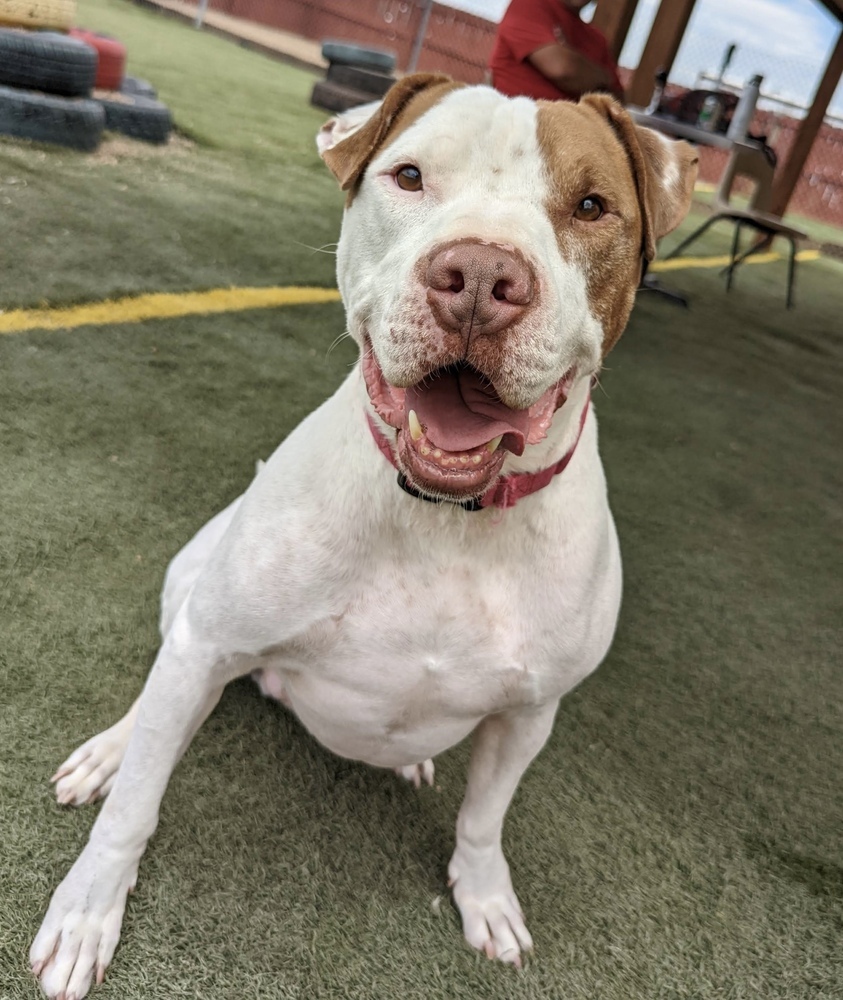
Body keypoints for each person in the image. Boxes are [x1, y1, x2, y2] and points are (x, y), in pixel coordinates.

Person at [489, 0, 624, 103]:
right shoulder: (528, 5)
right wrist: (602, 77)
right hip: (519, 126)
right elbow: (562, 69)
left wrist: (571, 57)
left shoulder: (598, 39)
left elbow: (617, 102)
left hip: (572, 132)